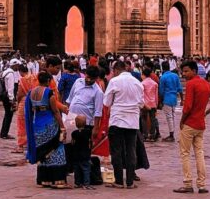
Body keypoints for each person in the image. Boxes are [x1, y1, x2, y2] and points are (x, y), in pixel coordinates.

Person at [174, 60, 210, 194]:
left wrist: (182, 121)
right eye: (183, 71)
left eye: (186, 71)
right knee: (199, 154)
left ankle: (188, 183)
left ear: (194, 71)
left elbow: (187, 107)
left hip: (189, 124)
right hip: (200, 125)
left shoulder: (191, 84)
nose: (184, 74)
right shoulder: (206, 84)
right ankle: (202, 184)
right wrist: (206, 113)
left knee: (185, 154)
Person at [103, 60, 144, 190]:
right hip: (132, 121)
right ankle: (130, 181)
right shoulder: (137, 83)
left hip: (117, 120)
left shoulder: (114, 82)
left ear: (115, 70)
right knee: (131, 150)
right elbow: (141, 103)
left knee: (116, 151)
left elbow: (107, 102)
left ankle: (119, 181)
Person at [25, 71, 70, 188]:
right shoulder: (49, 93)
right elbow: (55, 111)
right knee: (57, 150)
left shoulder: (31, 93)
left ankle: (44, 179)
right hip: (49, 123)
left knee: (43, 150)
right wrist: (62, 126)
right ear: (49, 81)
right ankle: (57, 180)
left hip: (37, 125)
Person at [66, 65, 104, 138]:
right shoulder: (78, 81)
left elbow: (98, 112)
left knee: (83, 147)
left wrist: (96, 128)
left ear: (96, 78)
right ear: (85, 74)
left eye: (92, 79)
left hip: (86, 124)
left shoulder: (98, 92)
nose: (89, 80)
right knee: (69, 144)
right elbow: (70, 99)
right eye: (88, 77)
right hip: (72, 120)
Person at [158, 64, 183, 142]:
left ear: (163, 68)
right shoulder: (175, 76)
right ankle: (173, 133)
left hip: (167, 98)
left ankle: (171, 135)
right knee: (172, 116)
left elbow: (161, 91)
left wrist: (160, 101)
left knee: (169, 117)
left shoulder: (163, 77)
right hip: (174, 98)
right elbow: (180, 88)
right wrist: (182, 99)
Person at [0, 61, 22, 140]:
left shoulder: (5, 72)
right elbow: (10, 88)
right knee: (9, 115)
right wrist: (12, 100)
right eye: (17, 66)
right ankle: (5, 133)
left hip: (4, 95)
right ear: (14, 65)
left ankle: (3, 133)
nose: (18, 68)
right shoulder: (11, 74)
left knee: (7, 114)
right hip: (8, 96)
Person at [70, 115, 94, 189]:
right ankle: (86, 184)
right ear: (85, 123)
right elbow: (91, 142)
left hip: (76, 154)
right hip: (85, 154)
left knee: (77, 169)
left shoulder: (74, 133)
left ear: (76, 124)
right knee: (86, 169)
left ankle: (77, 183)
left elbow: (72, 142)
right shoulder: (88, 132)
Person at [140, 67, 160, 141]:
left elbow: (141, 95)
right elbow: (156, 95)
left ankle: (145, 135)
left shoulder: (142, 83)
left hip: (145, 103)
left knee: (144, 119)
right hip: (153, 103)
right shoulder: (154, 83)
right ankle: (152, 134)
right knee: (153, 119)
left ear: (143, 74)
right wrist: (156, 104)